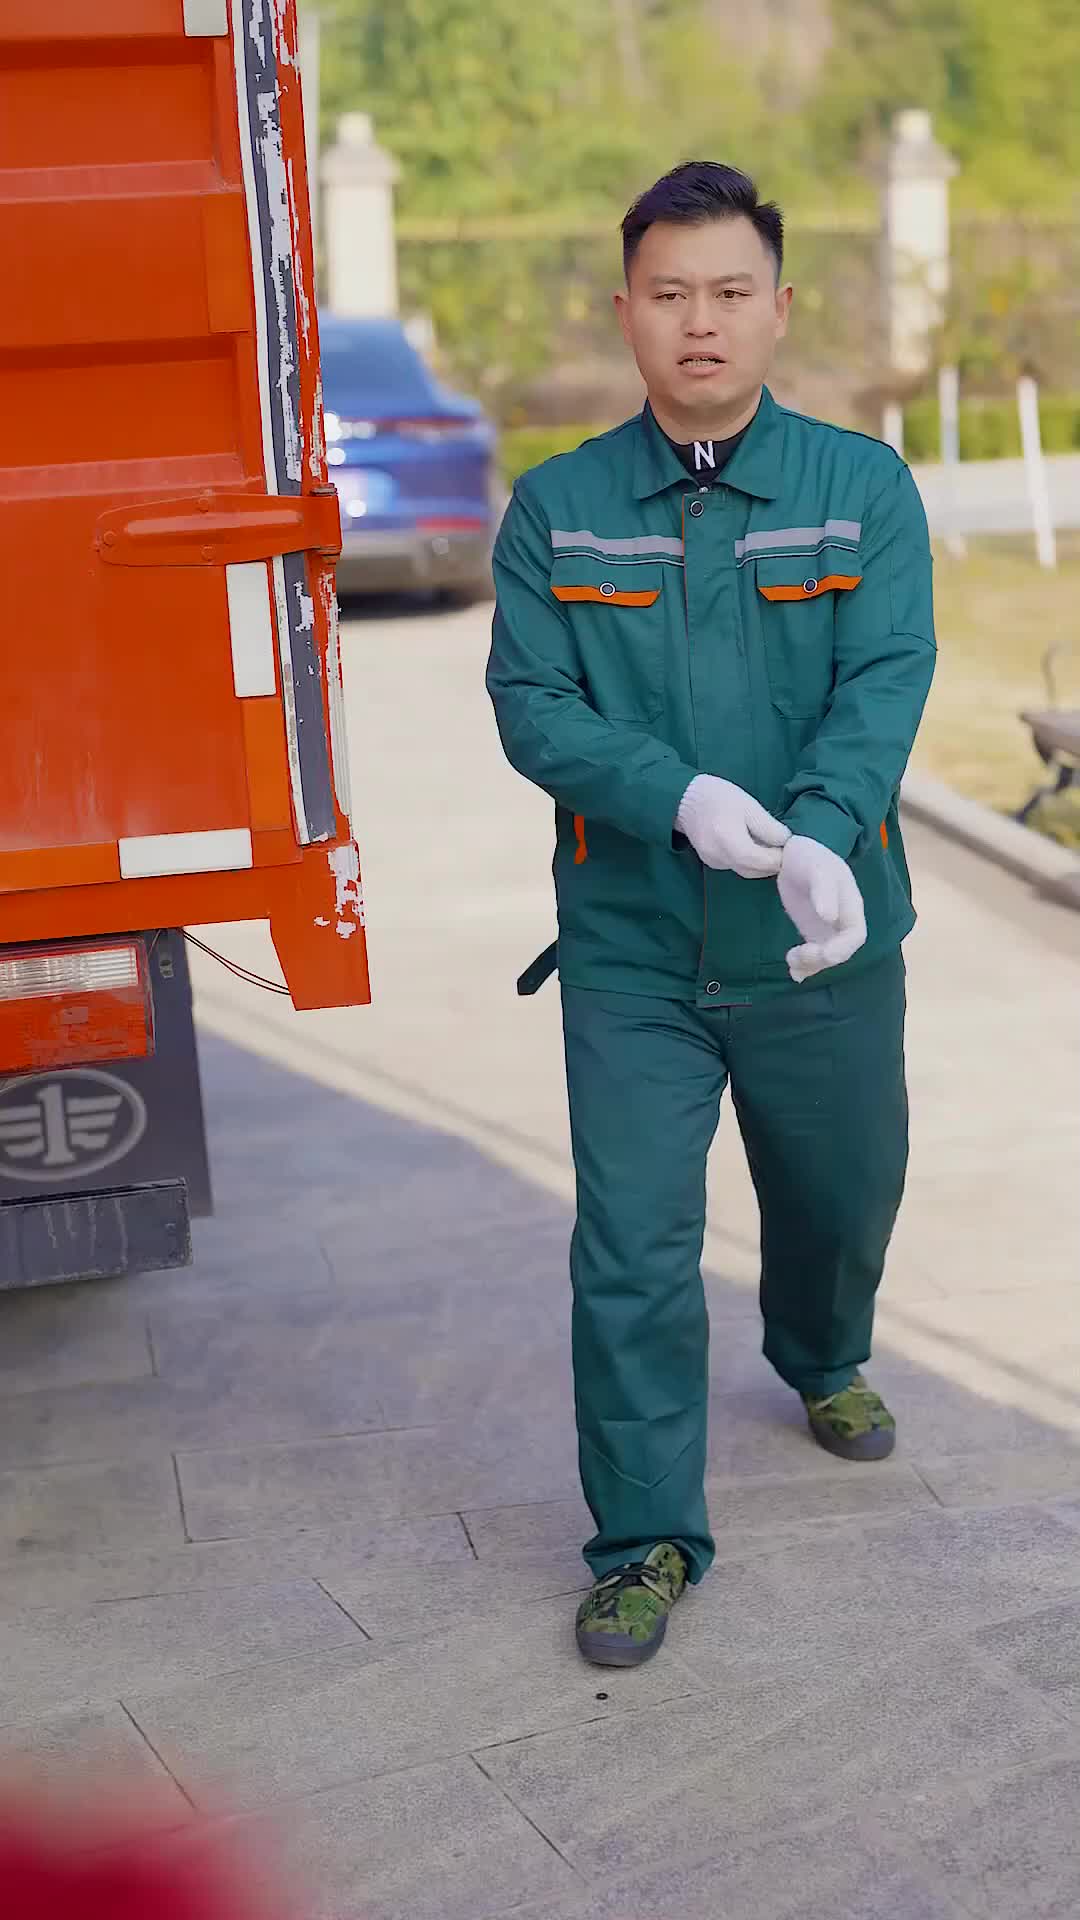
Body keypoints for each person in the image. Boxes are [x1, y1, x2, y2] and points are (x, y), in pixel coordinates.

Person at [486, 161, 936, 1668]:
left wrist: (825, 835)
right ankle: (643, 1541)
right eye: (669, 293)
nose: (701, 322)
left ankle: (821, 1351)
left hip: (821, 938)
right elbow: (533, 703)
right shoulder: (558, 509)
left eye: (730, 292)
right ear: (624, 312)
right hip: (632, 951)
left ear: (778, 308)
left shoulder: (861, 490)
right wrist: (674, 794)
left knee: (843, 1191)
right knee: (629, 1246)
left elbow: (885, 678)